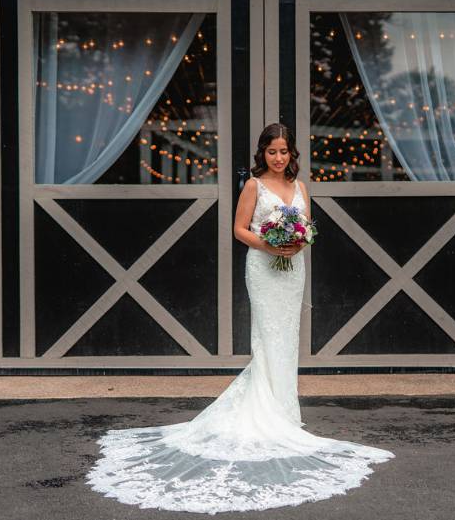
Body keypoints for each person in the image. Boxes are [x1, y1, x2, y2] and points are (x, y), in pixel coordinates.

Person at [86, 123, 394, 514]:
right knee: (267, 338)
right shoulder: (253, 186)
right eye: (272, 152)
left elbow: (308, 228)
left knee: (287, 338)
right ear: (262, 154)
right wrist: (270, 244)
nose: (278, 158)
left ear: (291, 153)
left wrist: (298, 243)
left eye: (284, 151)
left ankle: (284, 412)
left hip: (292, 270)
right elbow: (238, 229)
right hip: (263, 269)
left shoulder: (301, 186)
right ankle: (268, 414)